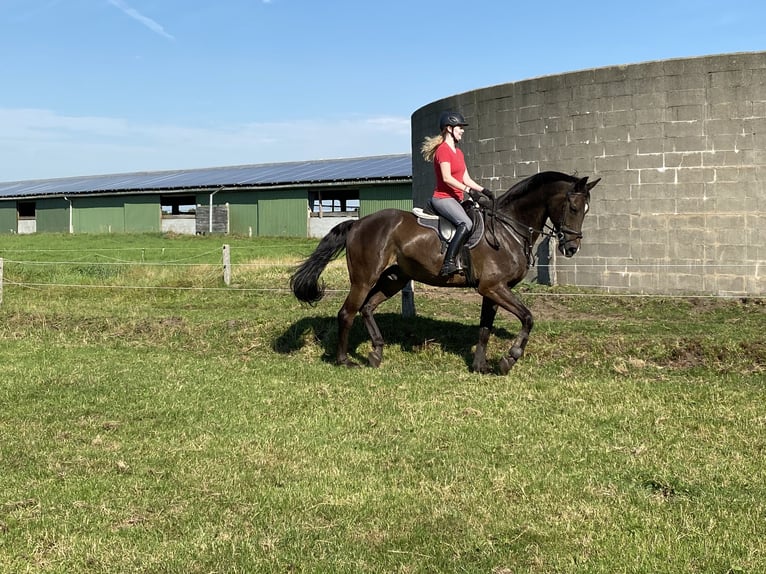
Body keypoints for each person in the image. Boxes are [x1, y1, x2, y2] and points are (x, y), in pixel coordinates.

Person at [421, 111, 494, 276]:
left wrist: (484, 191)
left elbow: (466, 178)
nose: (462, 131)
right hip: (443, 198)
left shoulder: (459, 152)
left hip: (456, 199)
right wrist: (468, 191)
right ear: (449, 129)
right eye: (459, 127)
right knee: (466, 223)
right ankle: (448, 263)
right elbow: (447, 178)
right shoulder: (443, 150)